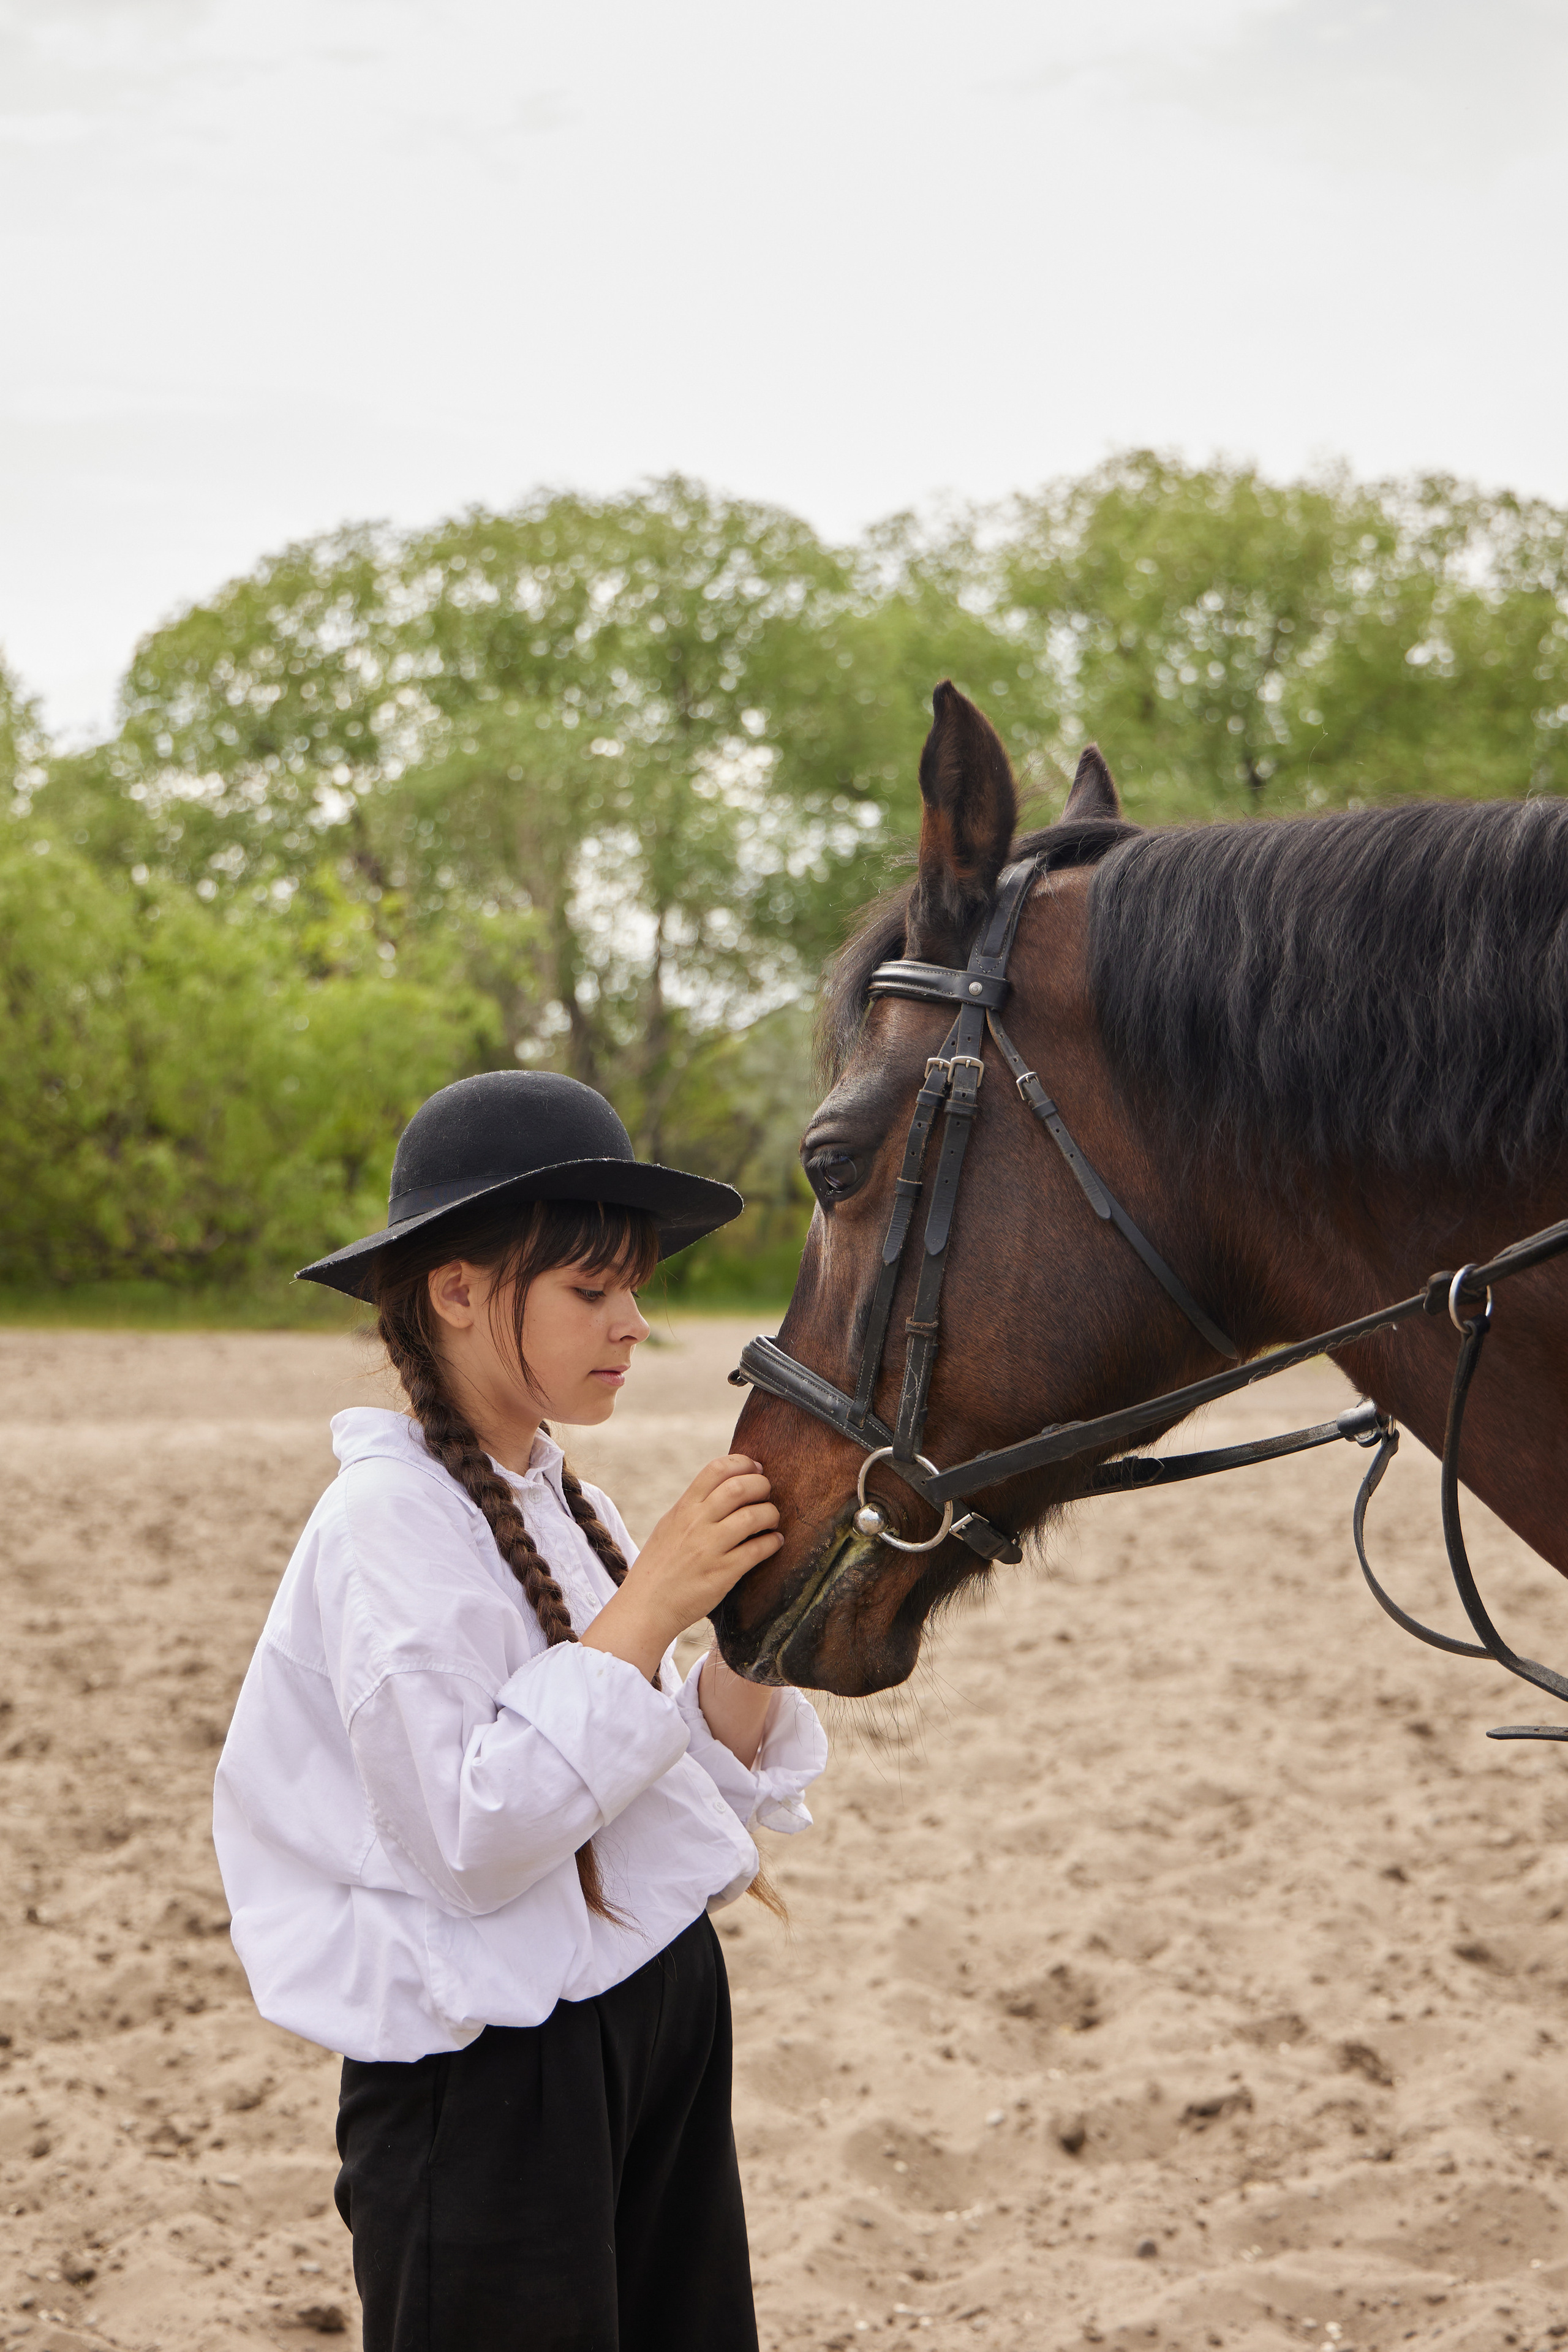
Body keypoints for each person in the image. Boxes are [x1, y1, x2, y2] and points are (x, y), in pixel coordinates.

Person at [213, 1069, 827, 2352]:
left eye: (634, 1290)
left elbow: (656, 1785)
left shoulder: (561, 1501)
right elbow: (472, 1833)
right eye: (591, 1291)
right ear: (455, 1290)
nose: (632, 1324)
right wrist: (653, 1598)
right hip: (489, 2077)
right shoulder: (385, 1525)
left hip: (651, 2018)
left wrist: (773, 1624)